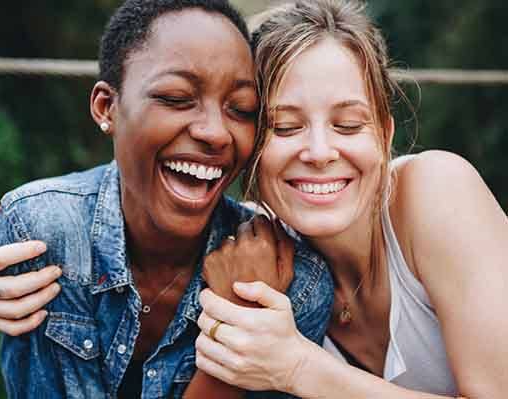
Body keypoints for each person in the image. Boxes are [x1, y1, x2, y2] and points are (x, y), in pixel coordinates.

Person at [0, 1, 334, 398]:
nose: (215, 132)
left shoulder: (293, 285)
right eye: (177, 98)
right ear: (107, 107)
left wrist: (246, 320)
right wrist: (235, 336)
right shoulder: (44, 235)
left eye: (241, 109)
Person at [193, 1, 508, 398]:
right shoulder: (262, 253)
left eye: (348, 125)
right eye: (286, 127)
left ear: (385, 135)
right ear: (252, 149)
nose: (320, 151)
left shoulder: (437, 190)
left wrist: (300, 367)